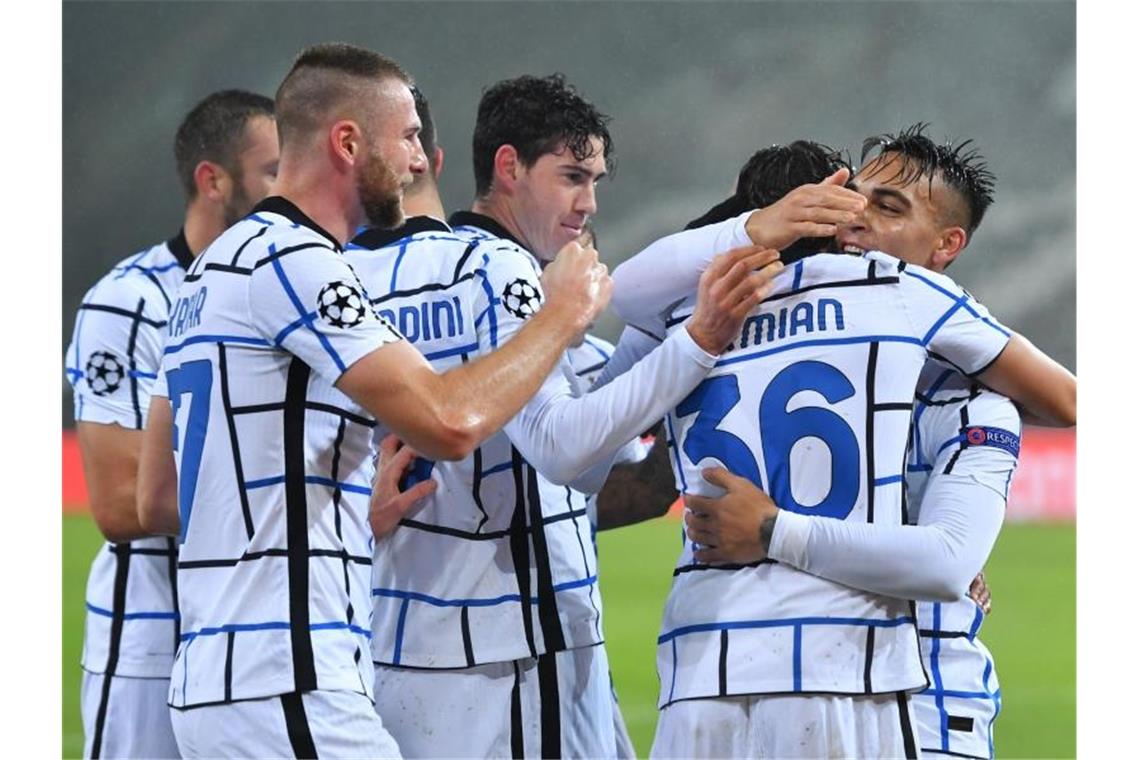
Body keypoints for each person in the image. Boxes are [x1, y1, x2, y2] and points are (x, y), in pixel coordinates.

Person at [133, 44, 612, 758]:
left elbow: (159, 495)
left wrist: (344, 513)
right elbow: (449, 422)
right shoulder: (294, 260)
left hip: (216, 676)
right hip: (289, 676)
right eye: (409, 137)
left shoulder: (209, 272)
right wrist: (561, 316)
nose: (419, 160)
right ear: (348, 143)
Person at [607, 139, 1074, 758]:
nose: (856, 219)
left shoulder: (969, 391)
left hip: (918, 698)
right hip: (833, 677)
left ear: (946, 246)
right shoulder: (783, 322)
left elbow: (947, 558)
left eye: (888, 207)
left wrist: (773, 530)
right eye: (852, 199)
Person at [354, 77, 776, 759]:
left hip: (398, 643)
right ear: (509, 166)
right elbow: (566, 451)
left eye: (595, 181)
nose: (589, 203)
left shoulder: (362, 278)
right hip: (515, 650)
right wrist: (698, 339)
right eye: (572, 177)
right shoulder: (503, 272)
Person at [63, 89, 278, 759]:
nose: (290, 191)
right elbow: (120, 504)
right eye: (272, 171)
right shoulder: (128, 303)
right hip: (153, 641)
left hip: (266, 640)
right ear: (213, 181)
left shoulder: (286, 296)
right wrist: (293, 504)